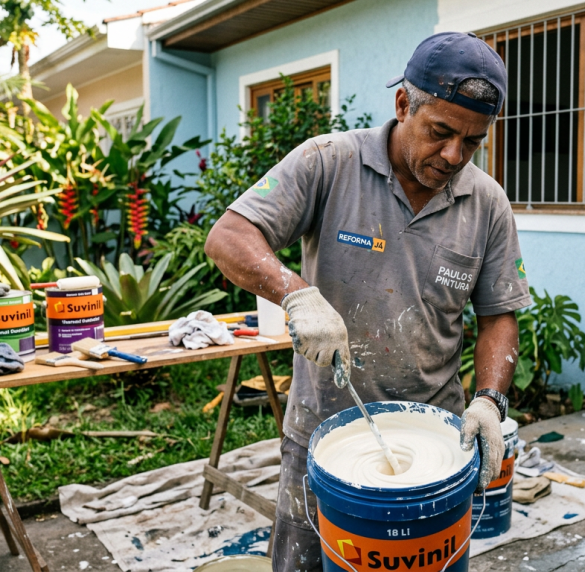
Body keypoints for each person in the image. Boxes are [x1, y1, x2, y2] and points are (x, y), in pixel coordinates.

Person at [205, 31, 530, 572]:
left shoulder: (488, 204)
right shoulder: (328, 162)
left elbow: (499, 316)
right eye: (441, 132)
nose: (454, 155)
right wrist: (297, 295)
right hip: (324, 440)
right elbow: (229, 237)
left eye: (472, 142)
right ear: (403, 104)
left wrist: (489, 402)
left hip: (439, 450)